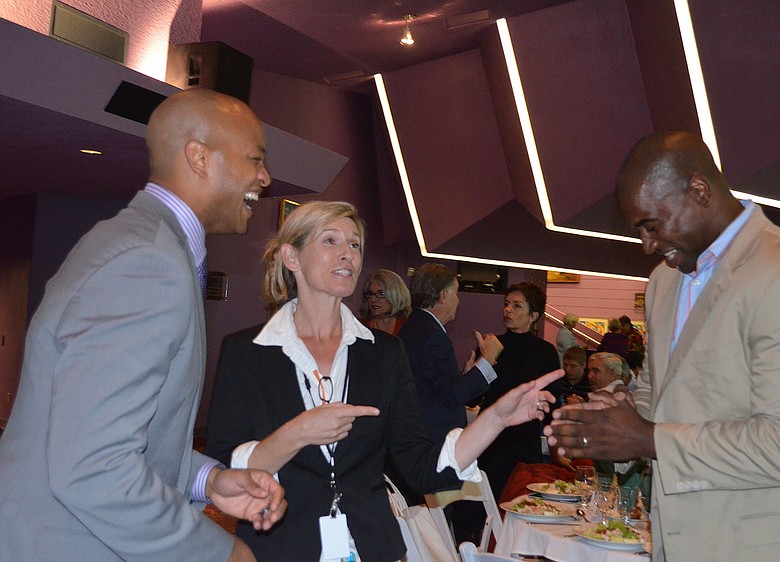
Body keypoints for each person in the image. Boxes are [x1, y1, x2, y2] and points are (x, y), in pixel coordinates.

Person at [0, 89, 287, 562]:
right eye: (255, 159)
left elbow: (117, 430)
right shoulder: (147, 262)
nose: (265, 177)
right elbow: (94, 467)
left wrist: (208, 479)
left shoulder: (138, 243)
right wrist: (220, 552)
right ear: (198, 157)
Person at [546, 131, 780, 561]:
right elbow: (660, 395)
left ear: (700, 191)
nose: (647, 245)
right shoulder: (663, 283)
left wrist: (648, 439)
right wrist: (602, 423)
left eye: (652, 225)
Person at [204, 201, 563, 562]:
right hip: (281, 546)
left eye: (355, 244)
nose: (348, 254)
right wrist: (299, 433)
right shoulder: (246, 351)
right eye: (330, 241)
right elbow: (224, 470)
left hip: (371, 545)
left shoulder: (384, 353)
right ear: (291, 257)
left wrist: (495, 419)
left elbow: (422, 468)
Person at [397, 262, 502, 443]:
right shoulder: (433, 337)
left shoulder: (414, 327)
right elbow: (451, 395)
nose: (458, 300)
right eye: (456, 292)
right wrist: (488, 359)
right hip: (432, 442)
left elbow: (437, 387)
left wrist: (467, 377)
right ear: (444, 296)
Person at [477, 281, 562, 501]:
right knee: (485, 505)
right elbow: (476, 394)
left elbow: (552, 404)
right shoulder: (492, 345)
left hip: (524, 438)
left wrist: (555, 448)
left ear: (533, 316)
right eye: (506, 304)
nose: (507, 310)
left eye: (516, 306)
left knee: (522, 502)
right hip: (490, 437)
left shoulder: (545, 352)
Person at [358, 268, 411, 335]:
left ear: (396, 295)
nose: (373, 299)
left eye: (381, 293)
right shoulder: (359, 326)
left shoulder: (408, 326)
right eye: (370, 293)